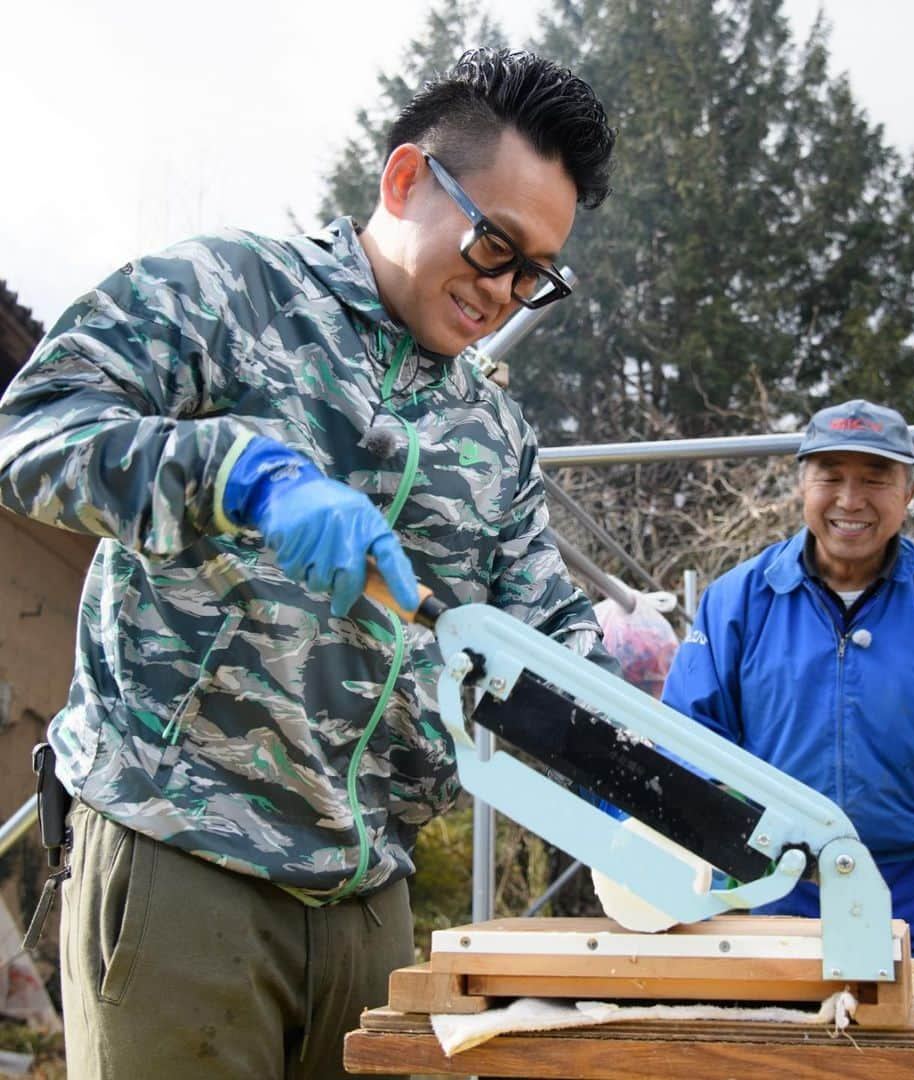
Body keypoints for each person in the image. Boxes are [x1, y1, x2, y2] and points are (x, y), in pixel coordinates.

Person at [0, 47, 617, 1079]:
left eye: (534, 274)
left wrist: (625, 731)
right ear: (408, 178)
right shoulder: (227, 294)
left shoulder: (494, 431)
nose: (504, 292)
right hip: (185, 860)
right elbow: (31, 434)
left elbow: (543, 625)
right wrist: (240, 478)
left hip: (368, 899)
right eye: (494, 244)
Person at [662, 398, 914, 958]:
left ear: (909, 494)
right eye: (831, 477)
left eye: (876, 479)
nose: (850, 501)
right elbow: (684, 742)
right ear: (802, 485)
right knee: (775, 1044)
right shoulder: (738, 603)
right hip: (783, 883)